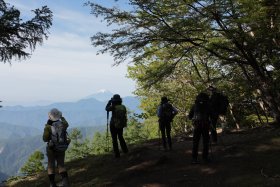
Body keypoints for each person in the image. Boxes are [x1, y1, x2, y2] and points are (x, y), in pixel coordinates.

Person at [43, 108, 70, 187]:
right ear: (59, 115)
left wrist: (47, 125)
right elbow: (66, 123)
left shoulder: (48, 127)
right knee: (61, 165)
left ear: (50, 117)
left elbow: (45, 139)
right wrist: (62, 117)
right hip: (62, 146)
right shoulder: (64, 124)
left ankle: (52, 184)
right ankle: (66, 183)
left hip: (52, 148)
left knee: (51, 165)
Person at [189, 92, 212, 164]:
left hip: (197, 126)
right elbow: (212, 115)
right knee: (206, 142)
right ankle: (205, 158)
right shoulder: (208, 106)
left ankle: (194, 159)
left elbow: (190, 116)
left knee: (195, 142)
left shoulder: (194, 106)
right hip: (205, 125)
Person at [105, 94, 128, 158]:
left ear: (114, 101)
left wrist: (109, 103)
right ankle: (125, 150)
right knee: (121, 137)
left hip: (113, 125)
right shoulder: (123, 106)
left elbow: (106, 109)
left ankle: (117, 154)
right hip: (120, 124)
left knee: (114, 139)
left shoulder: (113, 107)